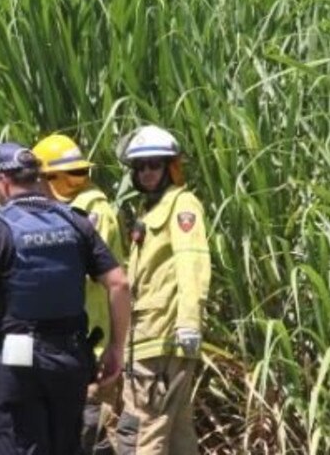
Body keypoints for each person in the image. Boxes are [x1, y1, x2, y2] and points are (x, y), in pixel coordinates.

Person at [0, 142, 131, 455]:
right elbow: (120, 285)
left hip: (18, 363)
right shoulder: (76, 223)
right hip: (71, 358)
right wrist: (116, 348)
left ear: (2, 181)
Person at [114, 125, 211, 455]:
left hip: (163, 339)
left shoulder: (182, 206)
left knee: (144, 430)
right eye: (140, 167)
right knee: (177, 435)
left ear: (170, 166)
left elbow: (192, 263)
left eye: (154, 165)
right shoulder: (152, 210)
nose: (147, 173)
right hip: (149, 338)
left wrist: (188, 321)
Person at [32, 133, 127, 454]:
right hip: (71, 346)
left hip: (90, 344)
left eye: (38, 179)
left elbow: (94, 278)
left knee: (88, 432)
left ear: (53, 179)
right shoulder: (72, 210)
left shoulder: (90, 213)